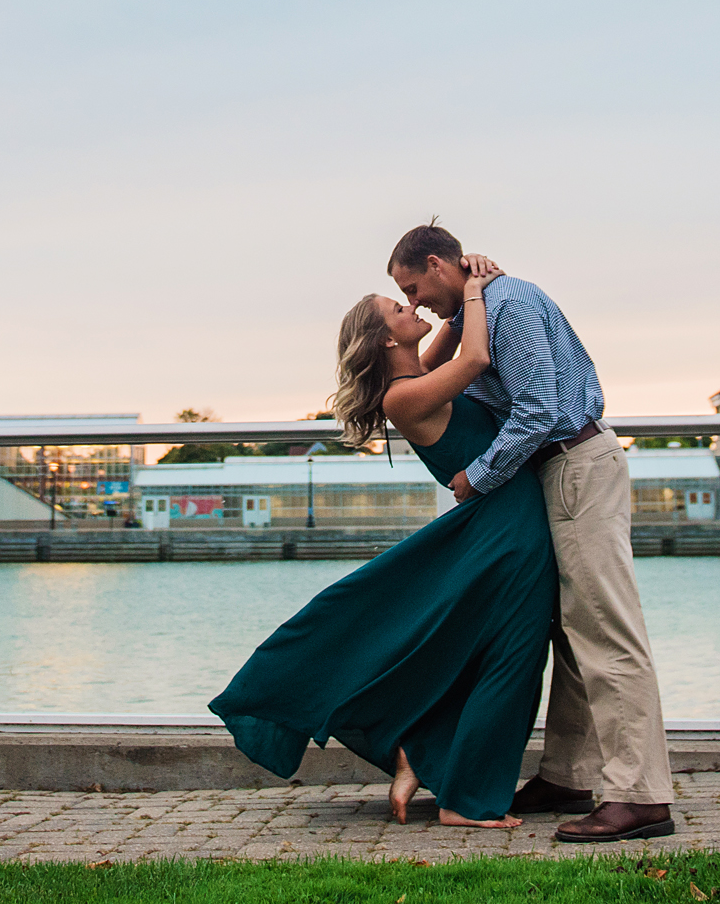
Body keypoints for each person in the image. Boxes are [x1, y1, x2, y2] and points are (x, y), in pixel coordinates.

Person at [210, 257, 557, 827]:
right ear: (383, 338)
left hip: (503, 525)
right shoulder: (403, 397)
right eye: (400, 307)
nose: (413, 306)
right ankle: (464, 802)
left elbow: (451, 344)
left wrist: (471, 280)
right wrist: (474, 290)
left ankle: (420, 755)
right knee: (512, 662)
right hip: (506, 532)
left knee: (496, 657)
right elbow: (476, 356)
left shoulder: (416, 376)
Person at [390, 222, 675, 844]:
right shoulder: (483, 306)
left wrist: (479, 478)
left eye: (413, 286)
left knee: (607, 632)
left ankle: (641, 796)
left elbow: (540, 409)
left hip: (574, 463)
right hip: (563, 469)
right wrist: (466, 297)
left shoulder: (506, 303)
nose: (414, 302)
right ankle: (569, 775)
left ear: (439, 265)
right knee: (575, 634)